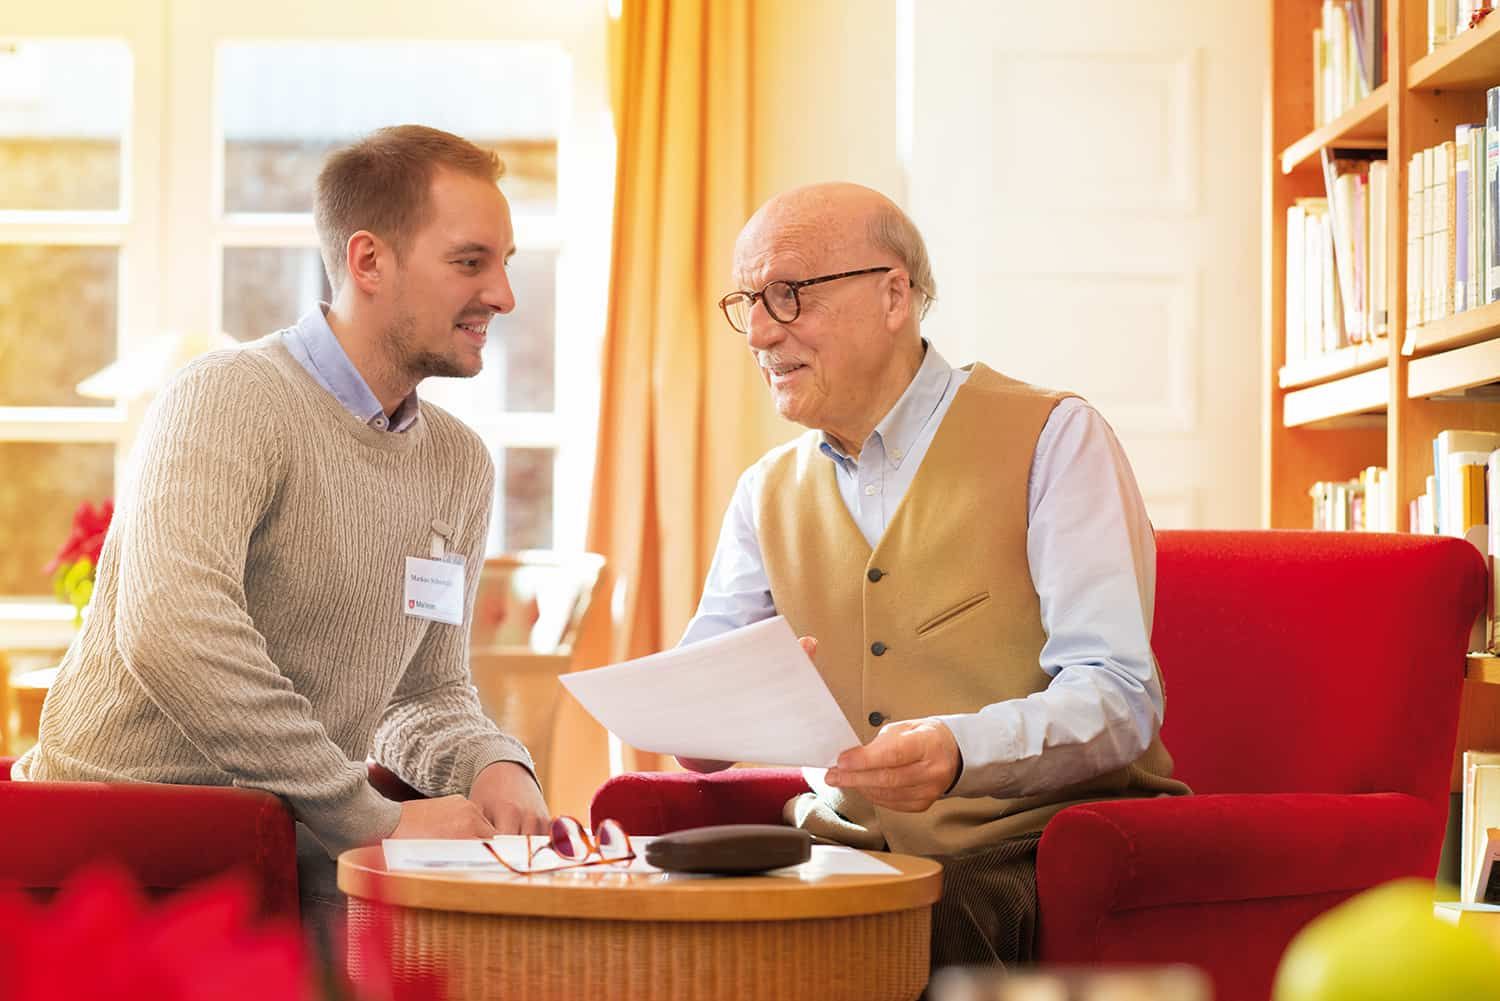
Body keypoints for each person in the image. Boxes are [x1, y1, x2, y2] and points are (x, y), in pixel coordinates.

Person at [14, 125, 549, 931]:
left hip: (284, 857)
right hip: (116, 867)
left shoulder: (459, 464)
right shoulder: (228, 397)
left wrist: (492, 761)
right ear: (369, 262)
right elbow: (172, 631)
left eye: (505, 263)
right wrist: (373, 818)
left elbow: (425, 691)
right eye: (471, 261)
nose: (504, 294)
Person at [679, 182, 1189, 970]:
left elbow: (1120, 695)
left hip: (1025, 847)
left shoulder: (1055, 437)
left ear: (894, 296)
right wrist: (698, 717)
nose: (756, 332)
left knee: (921, 916)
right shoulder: (764, 493)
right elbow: (697, 702)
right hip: (843, 844)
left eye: (786, 295)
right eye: (746, 300)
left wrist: (962, 750)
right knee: (681, 923)